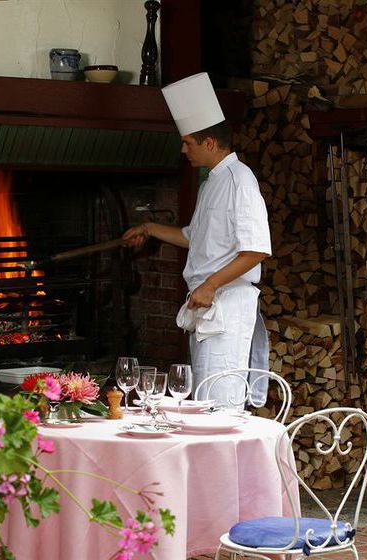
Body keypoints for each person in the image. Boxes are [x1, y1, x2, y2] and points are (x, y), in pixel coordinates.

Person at [123, 72, 272, 407]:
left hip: (226, 306)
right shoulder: (211, 183)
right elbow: (196, 239)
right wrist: (148, 227)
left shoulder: (239, 180)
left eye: (188, 141)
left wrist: (211, 285)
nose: (183, 148)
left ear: (209, 142)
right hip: (208, 307)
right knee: (204, 400)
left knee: (221, 404)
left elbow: (256, 249)